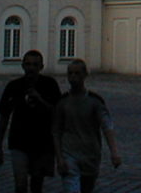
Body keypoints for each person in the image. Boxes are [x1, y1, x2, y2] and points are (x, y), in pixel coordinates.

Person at [0, 50, 62, 193]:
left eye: (35, 65)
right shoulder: (14, 86)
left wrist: (40, 99)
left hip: (42, 142)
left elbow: (58, 112)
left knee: (37, 184)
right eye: (28, 64)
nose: (31, 68)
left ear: (41, 67)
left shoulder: (49, 84)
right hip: (18, 142)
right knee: (20, 183)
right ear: (23, 66)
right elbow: (4, 116)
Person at [53, 59, 121, 192]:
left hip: (90, 155)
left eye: (77, 73)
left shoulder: (94, 101)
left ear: (85, 75)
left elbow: (107, 126)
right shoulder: (62, 102)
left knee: (87, 187)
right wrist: (59, 157)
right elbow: (56, 130)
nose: (73, 77)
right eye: (70, 73)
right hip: (69, 153)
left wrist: (114, 152)